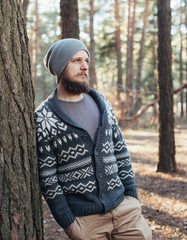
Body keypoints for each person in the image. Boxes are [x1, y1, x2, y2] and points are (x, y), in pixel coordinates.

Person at [34, 38, 152, 240]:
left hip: (125, 210)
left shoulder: (102, 103)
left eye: (86, 60)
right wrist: (68, 222)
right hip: (85, 221)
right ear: (60, 66)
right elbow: (48, 176)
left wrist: (131, 194)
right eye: (76, 60)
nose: (84, 66)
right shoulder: (45, 117)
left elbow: (120, 150)